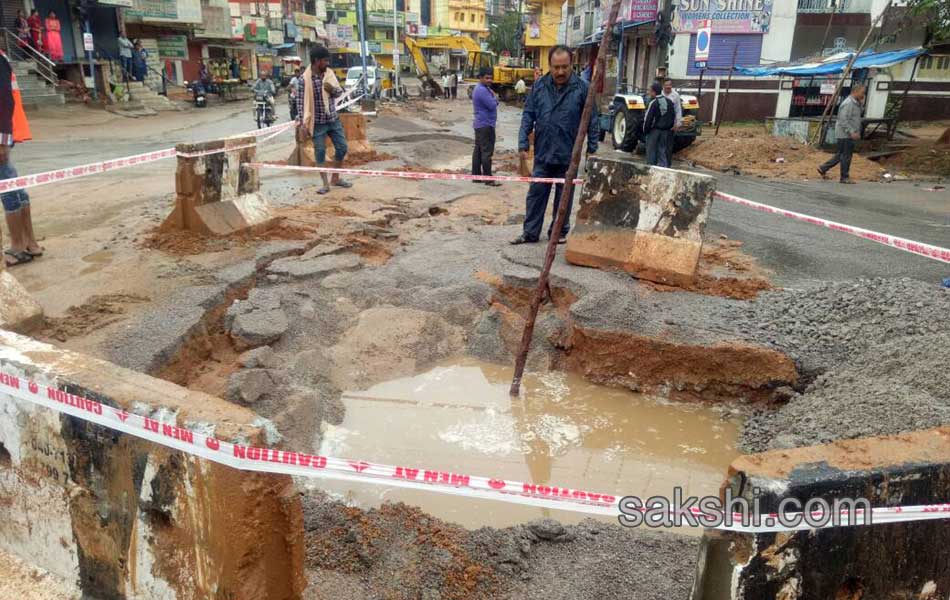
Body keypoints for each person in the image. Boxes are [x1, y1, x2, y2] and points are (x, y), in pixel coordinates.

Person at [512, 45, 599, 245]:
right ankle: (530, 232)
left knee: (564, 198)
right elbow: (528, 114)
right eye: (556, 67)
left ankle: (558, 231)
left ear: (571, 65)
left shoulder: (583, 88)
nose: (560, 72)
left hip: (569, 155)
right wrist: (523, 141)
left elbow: (593, 120)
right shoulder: (539, 86)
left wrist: (592, 151)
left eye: (564, 67)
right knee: (536, 195)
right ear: (549, 66)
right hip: (543, 152)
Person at [0, 49, 38, 267]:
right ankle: (30, 243)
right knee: (12, 183)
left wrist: (3, 139)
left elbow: (4, 100)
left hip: (2, 135)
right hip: (4, 133)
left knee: (7, 188)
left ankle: (18, 245)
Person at [296, 45, 351, 195]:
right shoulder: (304, 80)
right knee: (320, 152)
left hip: (332, 119)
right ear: (316, 61)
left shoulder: (329, 74)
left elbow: (339, 91)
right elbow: (301, 103)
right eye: (325, 61)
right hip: (317, 123)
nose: (327, 63)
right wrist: (302, 124)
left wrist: (332, 90)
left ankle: (335, 178)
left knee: (342, 148)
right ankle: (325, 184)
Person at [818, 84, 865, 184]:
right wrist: (851, 132)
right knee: (846, 156)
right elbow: (843, 120)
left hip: (847, 134)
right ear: (855, 91)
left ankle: (823, 168)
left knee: (841, 155)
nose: (863, 94)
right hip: (845, 134)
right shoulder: (848, 103)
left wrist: (861, 103)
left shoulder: (855, 103)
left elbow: (859, 113)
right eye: (862, 92)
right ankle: (844, 177)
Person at [472, 68, 501, 187]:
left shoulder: (481, 89)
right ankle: (488, 178)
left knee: (478, 151)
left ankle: (476, 176)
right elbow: (492, 105)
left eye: (491, 78)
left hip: (480, 124)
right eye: (487, 78)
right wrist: (496, 98)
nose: (490, 80)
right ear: (481, 78)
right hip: (486, 125)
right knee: (486, 152)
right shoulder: (482, 90)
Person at [643, 82, 675, 167]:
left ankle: (650, 169)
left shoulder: (653, 103)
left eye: (650, 91)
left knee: (651, 151)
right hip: (666, 131)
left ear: (654, 92)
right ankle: (663, 169)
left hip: (655, 131)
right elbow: (673, 116)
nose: (649, 93)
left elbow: (648, 119)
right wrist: (669, 127)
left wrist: (646, 130)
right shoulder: (669, 102)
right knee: (662, 151)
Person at [661, 78, 682, 165]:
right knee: (660, 146)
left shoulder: (675, 95)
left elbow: (678, 110)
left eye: (670, 85)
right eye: (666, 85)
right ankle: (660, 164)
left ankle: (667, 165)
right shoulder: (660, 94)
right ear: (663, 86)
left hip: (670, 125)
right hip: (660, 125)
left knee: (668, 147)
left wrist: (678, 123)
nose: (668, 87)